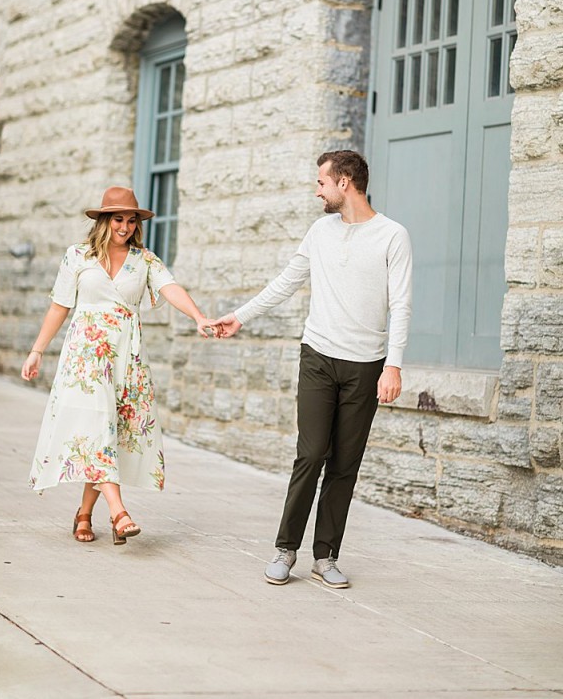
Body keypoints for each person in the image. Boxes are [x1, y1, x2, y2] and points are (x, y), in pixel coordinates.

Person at [210, 150, 412, 589]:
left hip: (366, 365)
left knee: (344, 464)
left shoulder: (392, 236)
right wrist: (240, 316)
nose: (316, 189)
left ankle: (326, 556)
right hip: (319, 356)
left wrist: (392, 365)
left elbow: (402, 304)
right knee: (312, 453)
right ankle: (286, 549)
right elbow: (286, 281)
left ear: (344, 183)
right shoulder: (320, 231)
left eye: (322, 182)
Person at [22, 186, 216, 544]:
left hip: (126, 356)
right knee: (96, 423)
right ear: (103, 221)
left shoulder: (144, 260)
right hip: (86, 356)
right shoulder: (77, 256)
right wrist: (37, 350)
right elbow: (60, 306)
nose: (125, 226)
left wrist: (199, 317)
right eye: (117, 219)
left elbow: (171, 288)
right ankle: (118, 511)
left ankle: (83, 514)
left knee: (109, 432)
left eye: (130, 220)